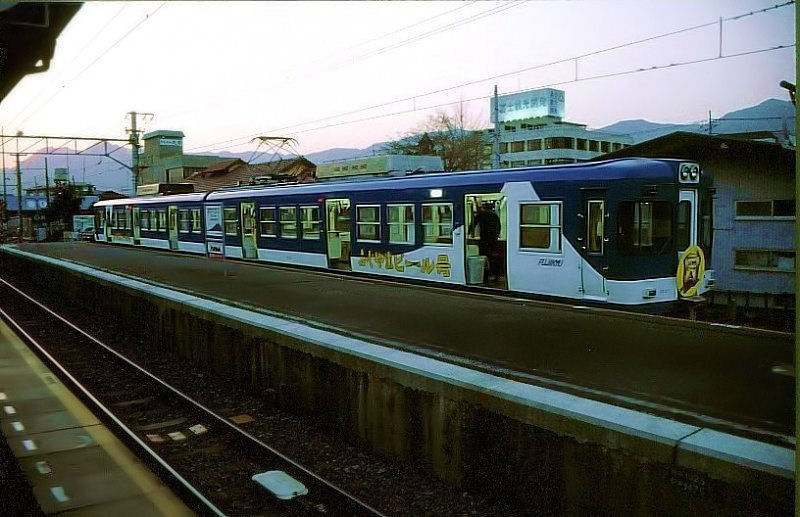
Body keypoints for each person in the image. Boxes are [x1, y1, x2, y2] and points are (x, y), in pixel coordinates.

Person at [469, 202, 501, 280]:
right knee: (493, 258)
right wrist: (496, 236)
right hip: (493, 240)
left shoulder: (481, 214)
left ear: (484, 208)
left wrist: (468, 232)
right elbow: (499, 227)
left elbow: (473, 224)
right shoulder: (494, 215)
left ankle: (485, 276)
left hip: (484, 240)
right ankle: (496, 275)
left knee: (483, 258)